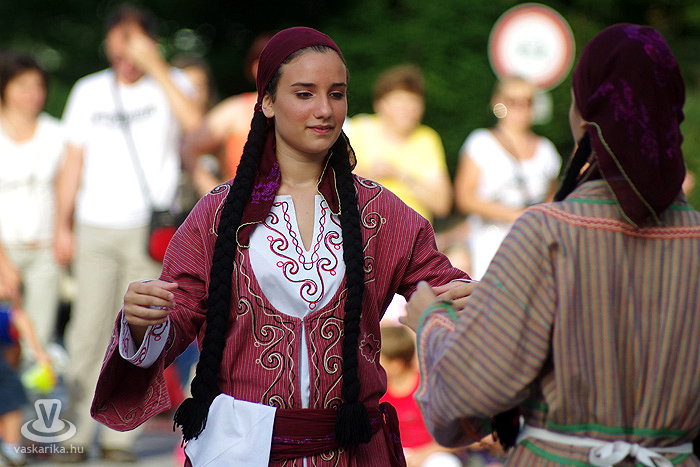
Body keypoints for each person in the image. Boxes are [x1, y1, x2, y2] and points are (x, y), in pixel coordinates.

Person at [90, 26, 469, 467]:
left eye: (337, 94)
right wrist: (141, 323)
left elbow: (449, 291)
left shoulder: (382, 213)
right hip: (240, 453)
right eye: (304, 94)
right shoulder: (217, 214)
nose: (324, 110)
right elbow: (179, 312)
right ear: (267, 102)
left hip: (353, 452)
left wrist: (486, 299)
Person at [402, 23, 700, 467]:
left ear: (583, 115)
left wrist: (432, 321)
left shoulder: (546, 232)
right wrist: (502, 299)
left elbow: (467, 401)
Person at [54, 4, 203, 462]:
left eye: (135, 40)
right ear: (107, 43)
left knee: (140, 330)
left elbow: (197, 127)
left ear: (151, 43)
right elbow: (72, 162)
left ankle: (121, 438)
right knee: (87, 331)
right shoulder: (88, 90)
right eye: (118, 40)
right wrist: (61, 225)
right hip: (94, 224)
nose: (125, 51)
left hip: (147, 229)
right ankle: (74, 434)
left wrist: (156, 66)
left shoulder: (172, 83)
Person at [453, 76, 561, 279]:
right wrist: (515, 215)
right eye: (513, 101)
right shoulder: (481, 142)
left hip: (532, 241)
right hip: (489, 240)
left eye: (527, 102)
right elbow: (465, 198)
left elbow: (552, 199)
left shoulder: (546, 149)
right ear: (498, 102)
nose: (521, 108)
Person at [0, 51, 64, 349]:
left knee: (40, 339)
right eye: (23, 86)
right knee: (6, 340)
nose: (32, 94)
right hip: (5, 247)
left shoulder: (57, 133)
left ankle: (36, 382)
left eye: (38, 86)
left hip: (45, 249)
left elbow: (66, 189)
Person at [347, 64, 452, 224]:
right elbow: (341, 185)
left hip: (414, 230)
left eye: (414, 101)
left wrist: (399, 175)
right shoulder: (361, 129)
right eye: (400, 101)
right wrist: (371, 175)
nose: (408, 109)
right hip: (368, 226)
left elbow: (442, 204)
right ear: (380, 104)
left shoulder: (426, 139)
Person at [181, 32, 274, 197]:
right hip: (243, 207)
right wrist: (216, 197)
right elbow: (188, 147)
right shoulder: (236, 110)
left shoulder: (307, 109)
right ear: (255, 68)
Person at [380, 325, 463, 467]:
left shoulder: (430, 388)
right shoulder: (377, 391)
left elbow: (456, 437)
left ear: (396, 365)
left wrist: (423, 455)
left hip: (430, 454)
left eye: (379, 360)